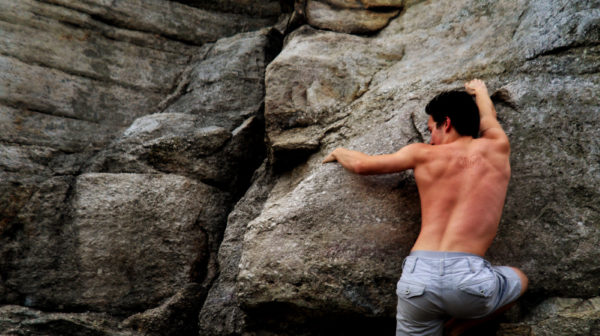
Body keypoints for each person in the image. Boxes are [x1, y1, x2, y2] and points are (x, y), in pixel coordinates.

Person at [322, 79, 528, 336]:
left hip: (419, 278)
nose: (430, 138)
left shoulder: (421, 154)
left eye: (431, 128)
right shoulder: (497, 146)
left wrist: (340, 151)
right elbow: (489, 117)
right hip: (470, 283)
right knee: (519, 279)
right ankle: (456, 330)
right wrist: (481, 91)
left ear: (447, 123)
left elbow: (362, 165)